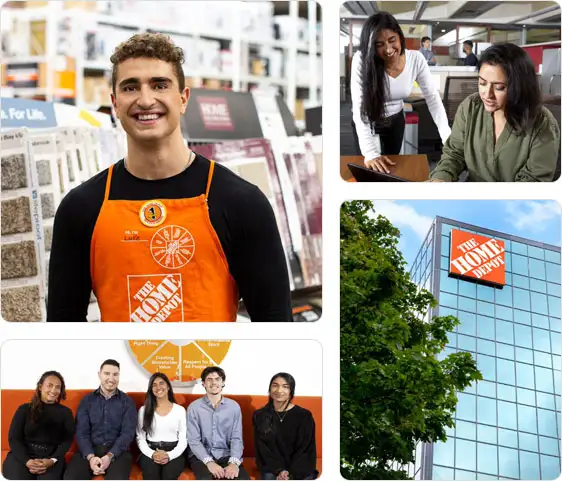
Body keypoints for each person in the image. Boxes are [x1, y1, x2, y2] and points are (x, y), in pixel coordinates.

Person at [47, 32, 292, 323]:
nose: (146, 99)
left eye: (160, 85)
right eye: (130, 87)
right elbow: (62, 331)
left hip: (211, 368)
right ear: (114, 102)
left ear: (183, 98)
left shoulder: (243, 203)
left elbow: (277, 326)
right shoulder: (80, 208)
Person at [430, 42, 560, 182]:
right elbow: (454, 155)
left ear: (519, 87)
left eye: (499, 87)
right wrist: (441, 178)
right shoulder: (470, 107)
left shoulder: (542, 123)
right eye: (482, 83)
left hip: (514, 202)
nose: (487, 94)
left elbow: (533, 183)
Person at [351, 12, 450, 173]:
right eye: (379, 44)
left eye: (392, 40)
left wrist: (447, 138)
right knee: (369, 170)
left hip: (395, 121)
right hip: (367, 120)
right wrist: (370, 152)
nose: (388, 50)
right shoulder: (361, 59)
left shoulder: (416, 59)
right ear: (371, 46)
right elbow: (359, 107)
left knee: (390, 170)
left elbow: (433, 98)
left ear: (400, 36)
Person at [63, 359, 136, 480]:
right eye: (107, 373)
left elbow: (127, 434)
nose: (111, 378)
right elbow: (81, 432)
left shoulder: (127, 402)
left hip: (118, 452)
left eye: (115, 374)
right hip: (90, 450)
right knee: (71, 477)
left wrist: (109, 456)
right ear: (99, 374)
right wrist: (91, 457)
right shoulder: (87, 401)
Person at [2, 371, 74, 480]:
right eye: (49, 385)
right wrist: (27, 461)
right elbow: (14, 439)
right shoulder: (24, 409)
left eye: (57, 387)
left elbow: (67, 441)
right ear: (40, 387)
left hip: (50, 457)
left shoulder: (66, 413)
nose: (53, 390)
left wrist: (51, 460)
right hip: (22, 456)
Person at [186, 367, 250, 480]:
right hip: (201, 457)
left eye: (217, 379)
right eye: (209, 379)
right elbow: (193, 440)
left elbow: (236, 438)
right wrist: (209, 462)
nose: (214, 382)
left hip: (226, 454)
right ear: (203, 384)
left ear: (223, 382)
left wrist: (234, 463)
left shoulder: (234, 407)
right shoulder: (194, 408)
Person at [253, 373, 318, 481]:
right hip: (272, 467)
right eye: (275, 385)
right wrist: (279, 470)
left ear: (291, 391)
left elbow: (306, 448)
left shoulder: (304, 415)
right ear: (269, 389)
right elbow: (262, 449)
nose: (279, 390)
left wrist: (291, 473)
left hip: (299, 467)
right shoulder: (260, 415)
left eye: (285, 386)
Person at [136, 372, 187, 480]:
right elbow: (140, 438)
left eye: (161, 383)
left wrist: (169, 455)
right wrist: (152, 454)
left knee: (168, 475)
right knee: (151, 473)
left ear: (168, 386)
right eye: (154, 385)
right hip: (150, 450)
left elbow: (183, 439)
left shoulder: (180, 410)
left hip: (174, 451)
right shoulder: (144, 410)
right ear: (151, 390)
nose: (158, 387)